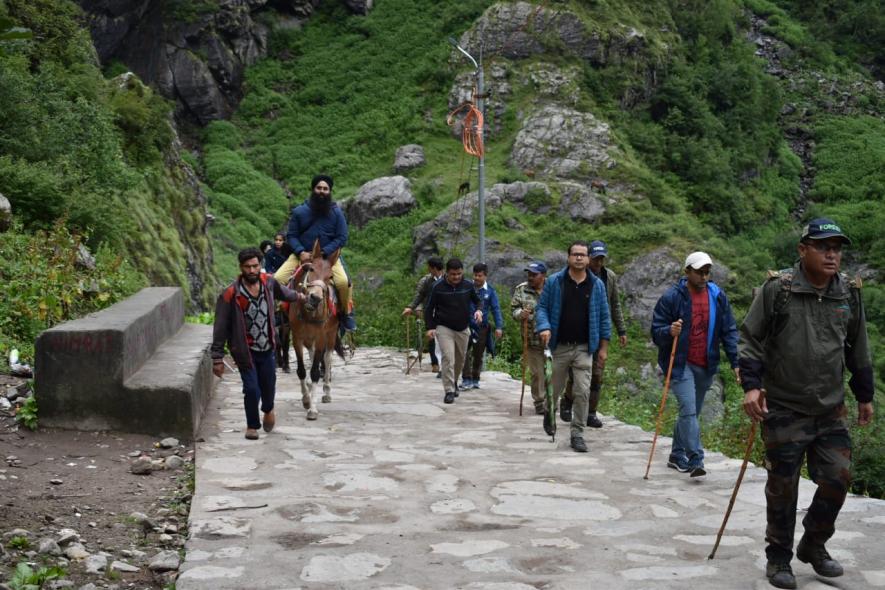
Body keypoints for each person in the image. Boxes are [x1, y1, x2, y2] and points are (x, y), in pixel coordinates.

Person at [739, 219, 874, 590]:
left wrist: (865, 395)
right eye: (823, 246)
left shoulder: (847, 292)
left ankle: (813, 544)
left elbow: (857, 345)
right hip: (784, 406)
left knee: (838, 478)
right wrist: (752, 387)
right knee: (783, 486)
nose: (832, 254)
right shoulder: (777, 289)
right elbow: (750, 339)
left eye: (837, 247)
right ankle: (778, 557)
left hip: (830, 408)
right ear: (803, 250)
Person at [651, 251, 740, 477]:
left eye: (707, 272)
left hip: (706, 363)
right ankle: (696, 458)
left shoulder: (717, 296)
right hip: (680, 364)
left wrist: (736, 363)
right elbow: (656, 332)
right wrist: (669, 331)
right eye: (699, 272)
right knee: (689, 410)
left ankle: (676, 454)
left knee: (690, 413)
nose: (704, 276)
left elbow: (729, 331)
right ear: (687, 271)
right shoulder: (673, 297)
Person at [211, 247, 303, 440]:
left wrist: (300, 296)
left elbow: (284, 293)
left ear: (260, 265)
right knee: (251, 388)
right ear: (241, 268)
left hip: (268, 347)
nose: (252, 271)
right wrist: (217, 357)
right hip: (245, 350)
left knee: (269, 386)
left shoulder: (268, 283)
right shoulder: (230, 294)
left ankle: (268, 409)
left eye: (255, 266)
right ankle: (252, 426)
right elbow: (220, 327)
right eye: (247, 267)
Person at [535, 241, 611, 453]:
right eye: (575, 254)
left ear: (588, 259)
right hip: (559, 346)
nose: (579, 258)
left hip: (584, 348)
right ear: (568, 258)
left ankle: (577, 433)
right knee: (554, 390)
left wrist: (603, 349)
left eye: (583, 255)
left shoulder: (597, 286)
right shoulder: (555, 282)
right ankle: (550, 415)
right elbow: (542, 309)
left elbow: (604, 318)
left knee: (582, 391)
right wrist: (544, 327)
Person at [274, 175, 356, 332]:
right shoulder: (299, 212)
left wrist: (325, 252)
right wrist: (300, 251)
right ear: (313, 189)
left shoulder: (337, 213)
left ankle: (346, 314)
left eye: (325, 189)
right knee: (278, 279)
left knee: (343, 283)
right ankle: (280, 312)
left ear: (330, 191)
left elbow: (342, 237)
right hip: (301, 255)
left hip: (328, 258)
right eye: (319, 188)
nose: (322, 191)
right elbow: (291, 236)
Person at [562, 240, 629, 428]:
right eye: (596, 258)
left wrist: (621, 330)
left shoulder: (610, 277)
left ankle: (591, 412)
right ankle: (567, 402)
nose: (599, 263)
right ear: (588, 257)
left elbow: (614, 304)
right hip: (581, 330)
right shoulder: (578, 275)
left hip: (600, 331)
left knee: (597, 374)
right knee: (577, 372)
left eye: (602, 259)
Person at [424, 258, 483, 404]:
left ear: (462, 272)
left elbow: (478, 301)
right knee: (448, 358)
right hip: (444, 327)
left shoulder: (468, 285)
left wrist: (479, 311)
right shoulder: (438, 287)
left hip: (463, 327)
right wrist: (430, 327)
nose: (456, 277)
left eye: (459, 274)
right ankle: (449, 390)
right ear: (447, 274)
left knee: (460, 359)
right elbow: (428, 308)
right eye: (453, 274)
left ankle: (455, 381)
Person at [510, 261, 548, 414]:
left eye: (534, 274)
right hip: (532, 340)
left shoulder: (553, 288)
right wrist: (521, 314)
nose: (530, 277)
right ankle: (540, 403)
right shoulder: (521, 289)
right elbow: (514, 310)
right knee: (537, 373)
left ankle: (552, 400)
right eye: (529, 274)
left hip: (553, 340)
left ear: (543, 276)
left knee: (554, 373)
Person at [461, 263, 504, 389]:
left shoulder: (490, 291)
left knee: (478, 354)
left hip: (482, 328)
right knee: (463, 352)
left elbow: (496, 309)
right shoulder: (468, 288)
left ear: (485, 276)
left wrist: (499, 327)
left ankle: (475, 378)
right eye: (475, 275)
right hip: (466, 325)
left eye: (480, 275)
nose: (477, 278)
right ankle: (466, 378)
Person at [403, 256, 444, 372]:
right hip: (430, 314)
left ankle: (444, 364)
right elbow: (420, 295)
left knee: (444, 338)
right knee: (431, 338)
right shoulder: (427, 281)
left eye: (429, 267)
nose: (428, 269)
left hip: (445, 314)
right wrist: (411, 307)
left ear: (434, 268)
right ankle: (435, 364)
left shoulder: (447, 279)